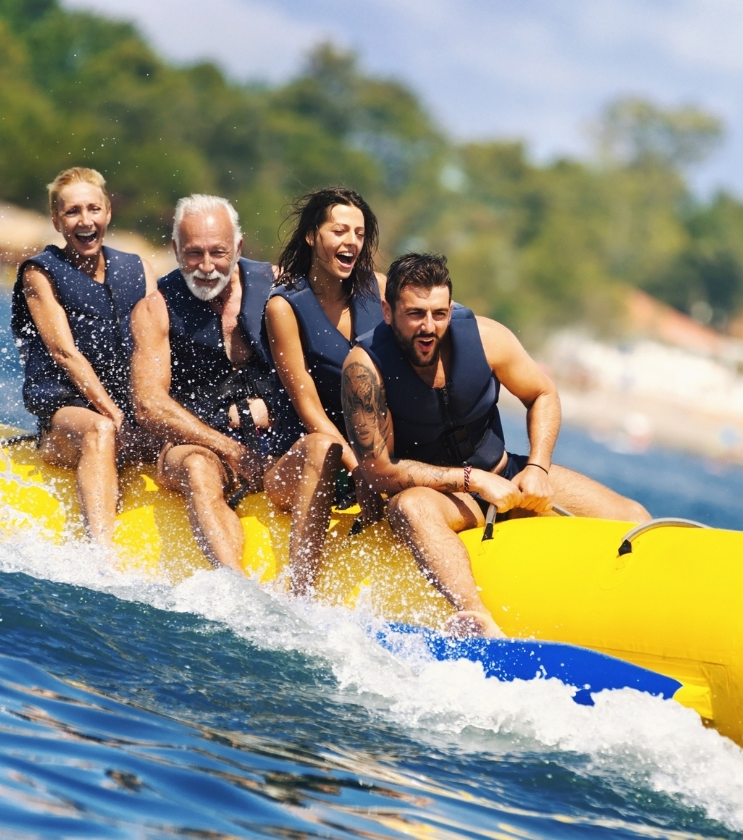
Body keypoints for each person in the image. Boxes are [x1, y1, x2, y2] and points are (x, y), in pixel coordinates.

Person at [341, 253, 649, 637]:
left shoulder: (487, 339)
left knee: (632, 515)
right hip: (442, 497)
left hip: (509, 476)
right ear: (388, 312)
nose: (428, 327)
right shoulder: (364, 368)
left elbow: (542, 394)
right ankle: (476, 617)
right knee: (409, 507)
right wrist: (471, 480)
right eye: (415, 314)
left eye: (439, 314)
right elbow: (378, 470)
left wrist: (537, 467)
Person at [130, 194, 341, 590]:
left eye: (218, 252)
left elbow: (331, 355)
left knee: (321, 448)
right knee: (197, 467)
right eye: (194, 253)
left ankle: (303, 591)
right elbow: (148, 405)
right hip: (201, 449)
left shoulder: (284, 288)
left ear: (239, 248)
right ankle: (238, 588)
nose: (207, 266)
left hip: (275, 454)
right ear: (175, 249)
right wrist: (228, 448)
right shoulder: (155, 308)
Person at [11, 167, 157, 552]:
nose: (85, 220)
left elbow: (157, 350)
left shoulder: (138, 269)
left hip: (129, 413)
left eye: (93, 209)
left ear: (108, 212)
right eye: (72, 211)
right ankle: (101, 556)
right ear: (57, 221)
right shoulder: (40, 273)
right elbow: (65, 353)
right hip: (67, 418)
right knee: (101, 431)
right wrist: (116, 415)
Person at [265, 187, 387, 538]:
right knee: (324, 447)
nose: (352, 242)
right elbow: (309, 410)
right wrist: (361, 469)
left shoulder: (378, 289)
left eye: (359, 234)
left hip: (374, 456)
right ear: (310, 236)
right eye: (339, 231)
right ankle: (303, 574)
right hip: (308, 456)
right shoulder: (283, 308)